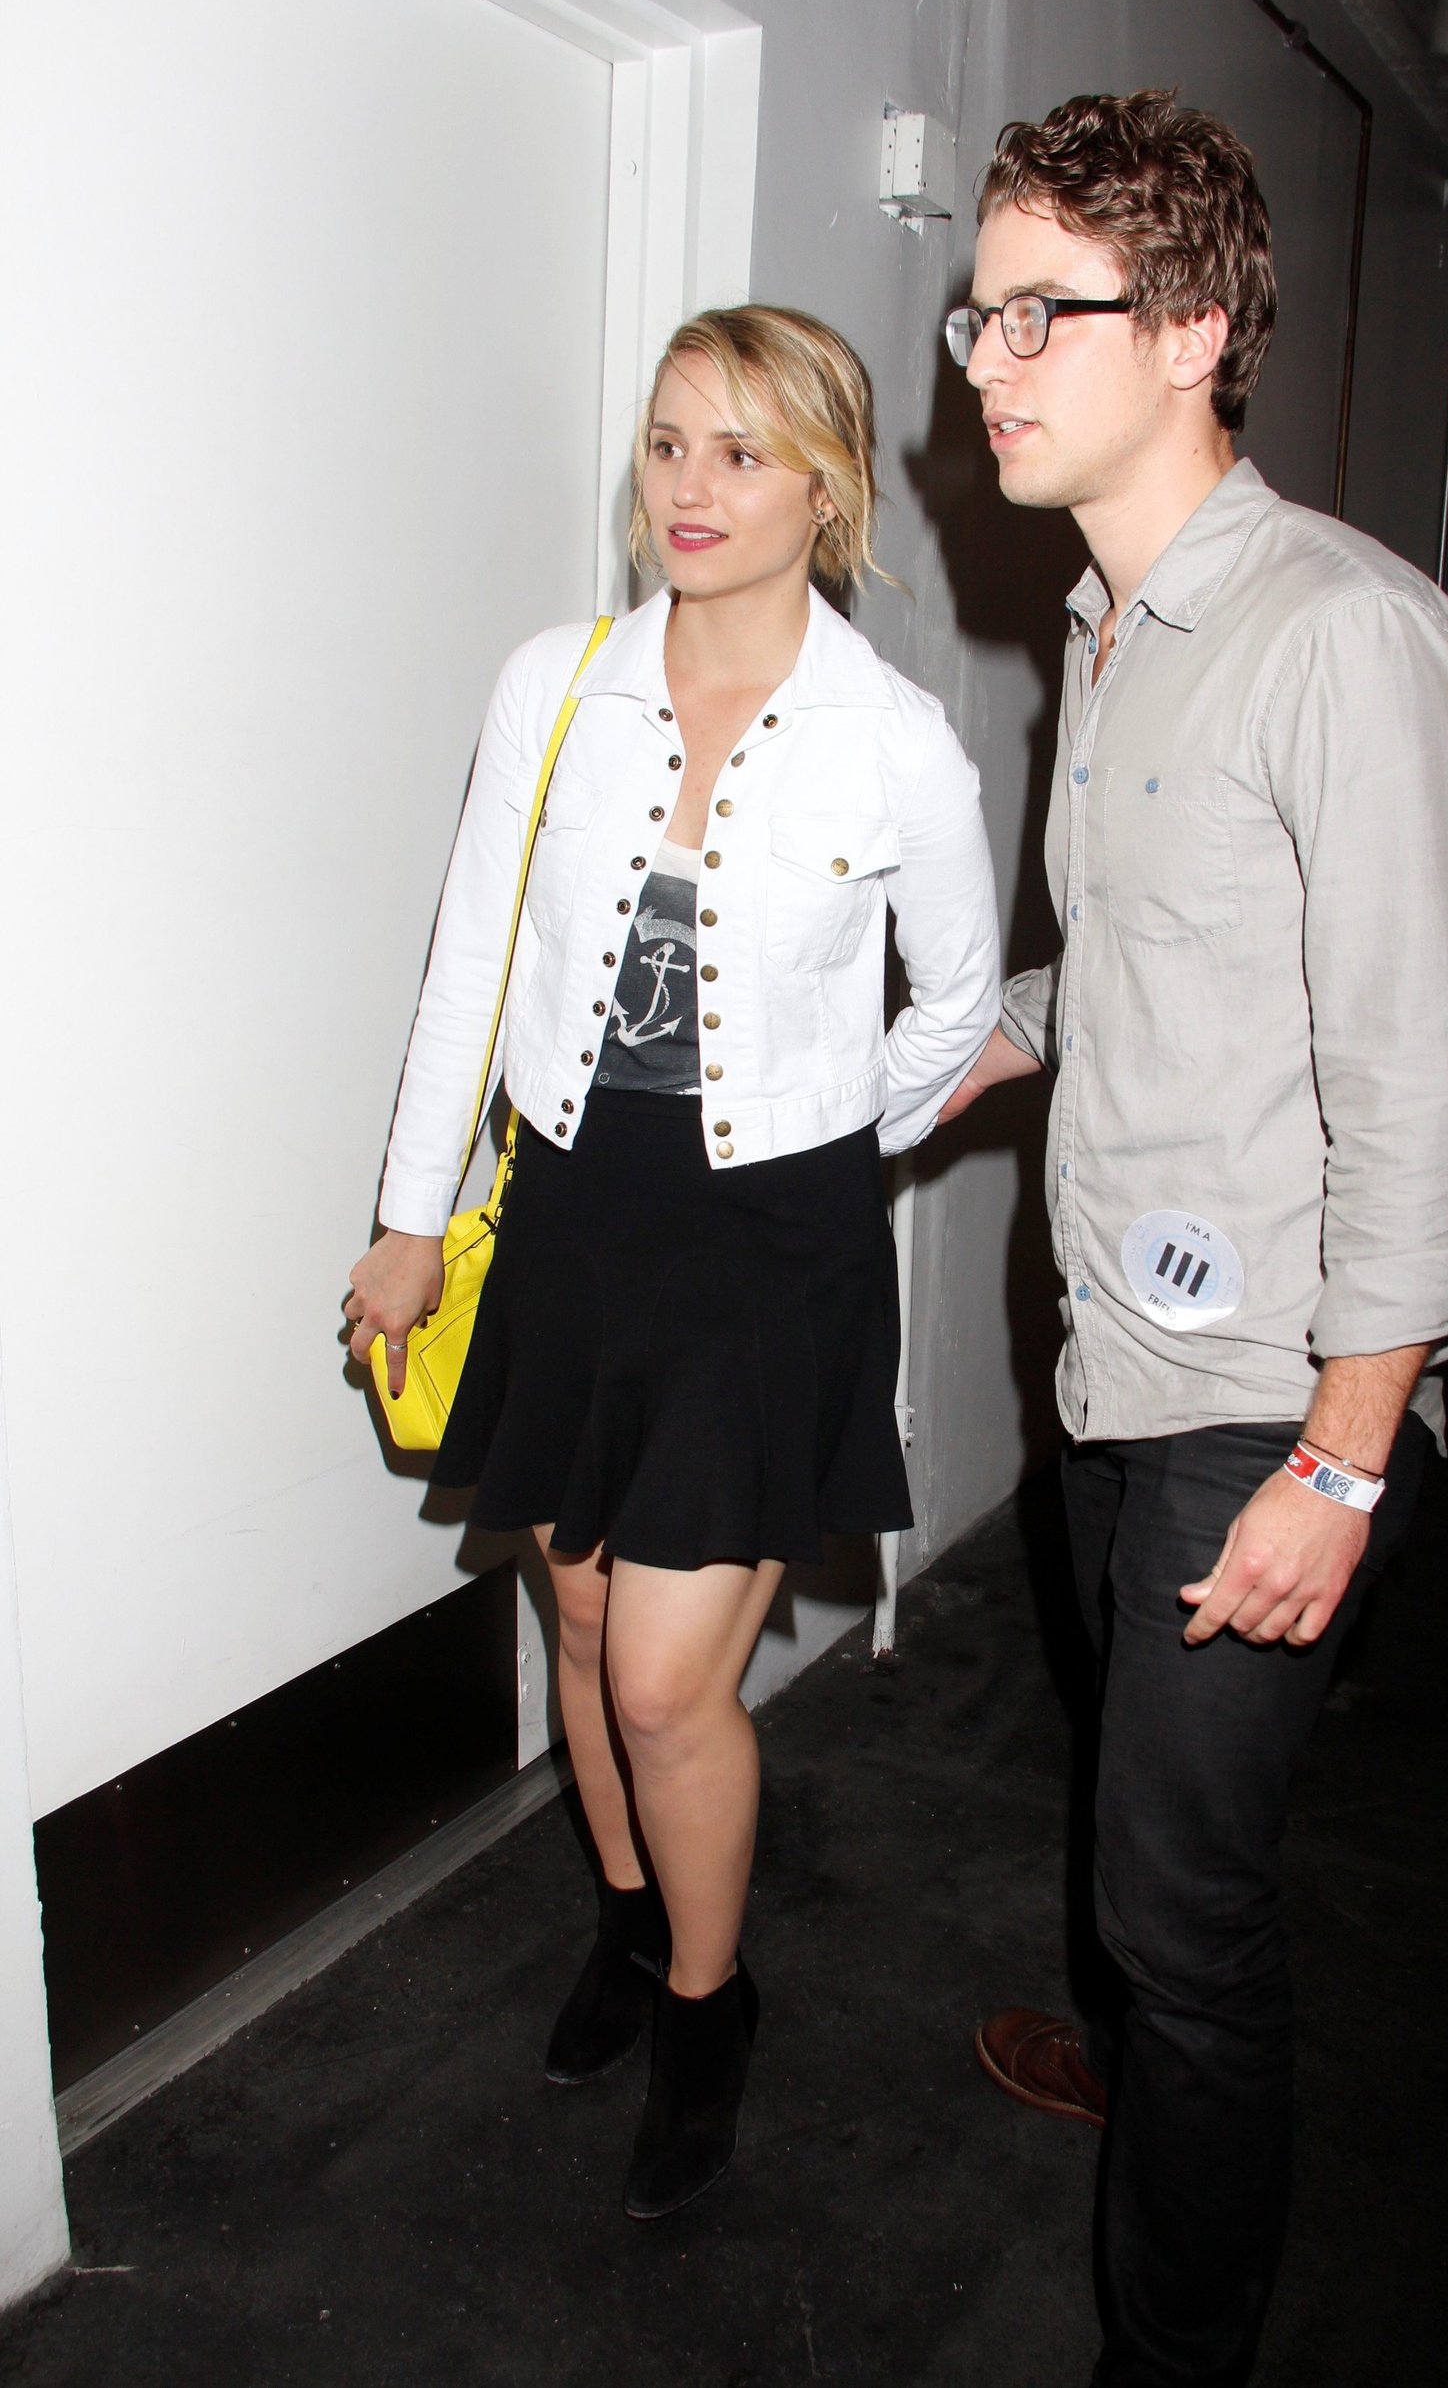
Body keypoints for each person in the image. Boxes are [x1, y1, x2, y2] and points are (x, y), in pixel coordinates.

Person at [937, 94, 1448, 2386]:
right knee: (1131, 1839)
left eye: (1035, 312)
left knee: (1190, 1909)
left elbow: (1419, 1075)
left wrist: (1345, 1460)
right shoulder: (1114, 622)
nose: (985, 358)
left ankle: (1174, 2334)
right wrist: (989, 1031)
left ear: (1189, 329)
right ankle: (1150, 2070)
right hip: (1108, 1362)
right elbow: (1187, 959)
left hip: (1266, 1399)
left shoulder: (1343, 637)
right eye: (975, 307)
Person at [344, 305, 1000, 2220]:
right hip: (560, 1214)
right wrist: (406, 1211)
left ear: (826, 485)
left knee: (655, 1683)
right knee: (568, 1615)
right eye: (665, 445)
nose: (691, 491)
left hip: (760, 1253)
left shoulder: (896, 746)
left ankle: (710, 2002)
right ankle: (629, 1930)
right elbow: (469, 959)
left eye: (741, 451)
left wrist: (812, 1146)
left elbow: (954, 1014)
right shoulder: (558, 682)